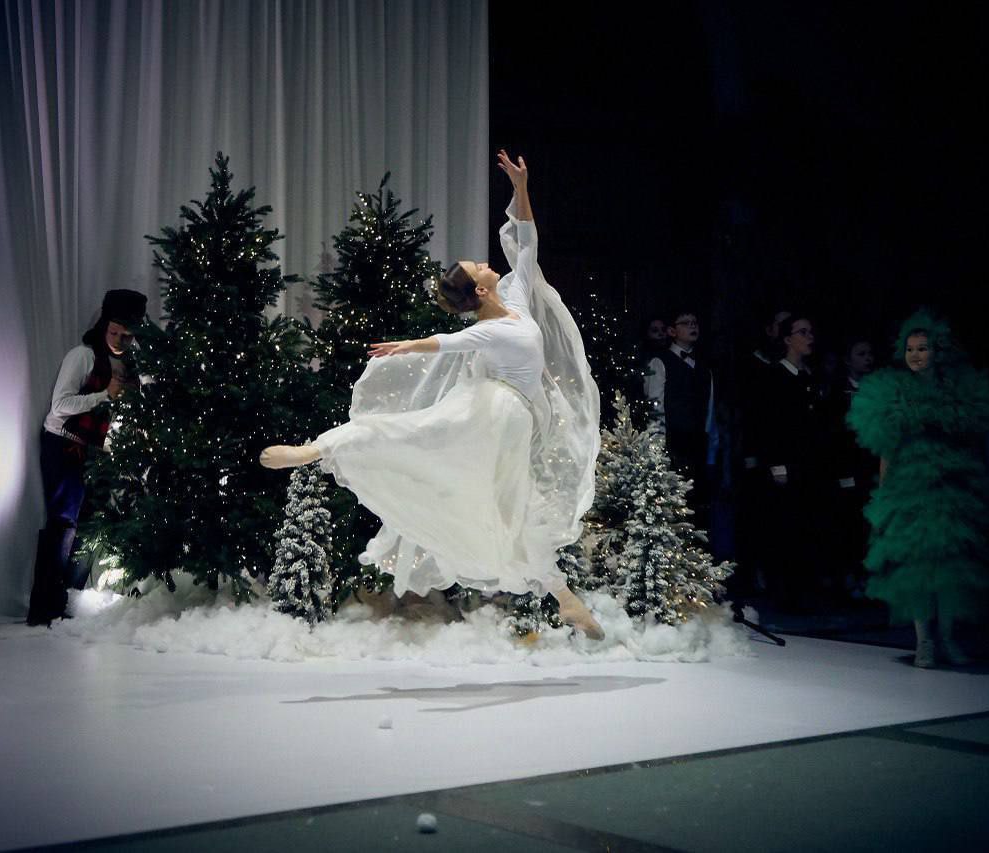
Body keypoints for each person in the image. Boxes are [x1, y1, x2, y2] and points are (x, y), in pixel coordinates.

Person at [260, 152, 604, 639]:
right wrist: (406, 345)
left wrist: (521, 187)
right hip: (490, 411)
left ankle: (566, 600)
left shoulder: (516, 301)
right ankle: (316, 448)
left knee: (511, 517)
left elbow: (527, 244)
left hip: (515, 423)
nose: (486, 263)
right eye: (478, 267)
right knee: (412, 432)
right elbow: (446, 342)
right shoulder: (487, 330)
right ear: (480, 291)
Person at [847, 309, 989, 667]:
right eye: (910, 349)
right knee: (917, 568)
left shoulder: (958, 391)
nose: (915, 355)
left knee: (950, 568)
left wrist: (986, 473)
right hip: (911, 488)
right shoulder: (894, 393)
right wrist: (885, 492)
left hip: (952, 488)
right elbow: (886, 448)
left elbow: (978, 438)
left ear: (938, 351)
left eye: (922, 348)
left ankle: (947, 637)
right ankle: (924, 641)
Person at [29, 288, 147, 625]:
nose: (120, 341)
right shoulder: (82, 356)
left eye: (127, 335)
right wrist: (103, 395)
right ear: (104, 325)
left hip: (97, 451)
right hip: (64, 443)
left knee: (90, 525)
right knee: (63, 522)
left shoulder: (133, 364)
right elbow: (60, 406)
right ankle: (45, 608)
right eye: (114, 332)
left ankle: (68, 600)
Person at [749, 313, 835, 603]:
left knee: (809, 524)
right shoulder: (773, 377)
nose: (809, 337)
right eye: (802, 332)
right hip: (786, 463)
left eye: (811, 332)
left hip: (811, 462)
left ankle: (806, 589)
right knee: (786, 526)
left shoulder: (811, 377)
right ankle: (786, 592)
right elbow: (767, 424)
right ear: (787, 339)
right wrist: (776, 463)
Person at [642, 309, 715, 513]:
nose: (693, 326)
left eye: (695, 322)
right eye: (686, 323)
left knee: (698, 502)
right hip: (673, 441)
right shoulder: (660, 361)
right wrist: (657, 444)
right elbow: (655, 403)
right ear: (672, 331)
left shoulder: (704, 367)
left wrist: (707, 439)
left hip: (698, 442)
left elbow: (709, 407)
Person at [830, 335, 879, 596]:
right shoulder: (837, 392)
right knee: (850, 524)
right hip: (849, 468)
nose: (868, 359)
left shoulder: (878, 389)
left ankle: (869, 579)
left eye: (869, 354)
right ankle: (849, 578)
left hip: (872, 465)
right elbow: (836, 434)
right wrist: (843, 471)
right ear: (847, 360)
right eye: (861, 354)